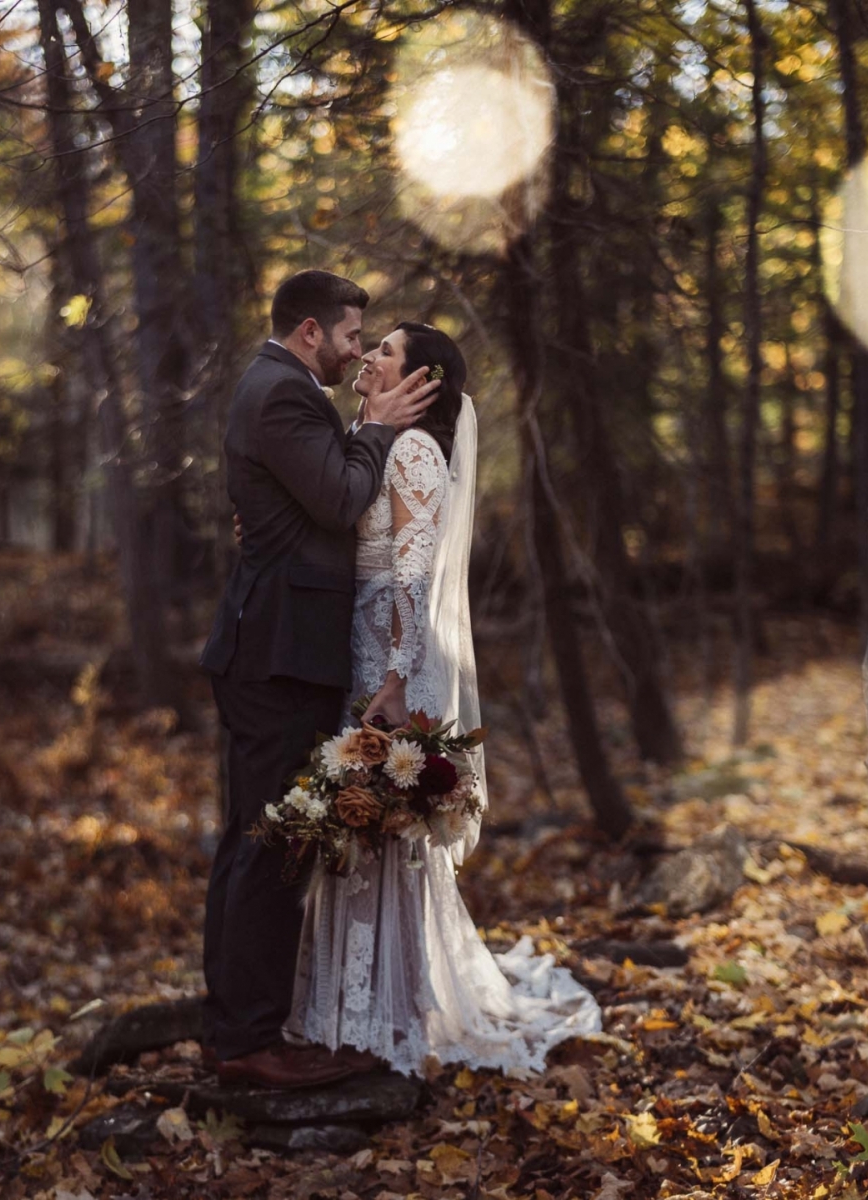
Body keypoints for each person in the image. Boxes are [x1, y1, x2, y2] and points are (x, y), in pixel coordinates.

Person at [284, 321, 603, 1077]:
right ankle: (339, 1003)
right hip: (352, 655)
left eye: (385, 350)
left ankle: (384, 1014)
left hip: (387, 664)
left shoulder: (416, 449)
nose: (367, 356)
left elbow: (412, 574)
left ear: (422, 381)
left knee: (379, 829)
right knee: (351, 827)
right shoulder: (365, 436)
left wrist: (396, 679)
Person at [198, 271, 441, 1089]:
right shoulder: (283, 395)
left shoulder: (284, 392)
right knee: (267, 849)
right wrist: (373, 427)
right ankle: (248, 1042)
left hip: (277, 645)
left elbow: (307, 503)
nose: (356, 351)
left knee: (254, 843)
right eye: (348, 337)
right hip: (277, 652)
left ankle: (235, 1028)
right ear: (309, 331)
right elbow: (340, 500)